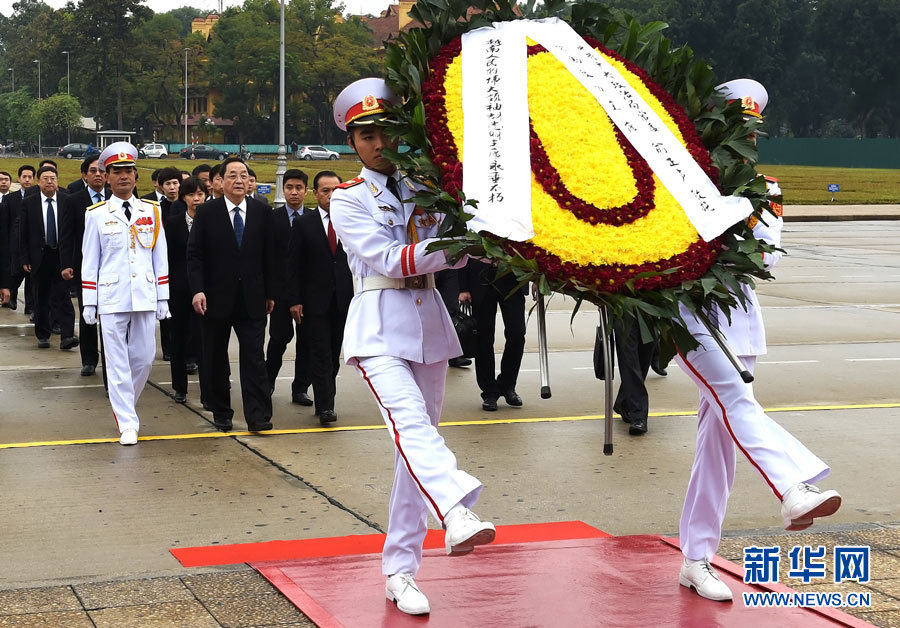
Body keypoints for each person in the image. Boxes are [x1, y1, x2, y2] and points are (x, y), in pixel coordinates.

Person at [330, 78, 495, 616]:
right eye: (367, 134)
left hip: (428, 324)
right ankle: (455, 506)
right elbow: (390, 259)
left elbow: (467, 252)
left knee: (411, 452)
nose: (379, 143)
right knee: (409, 425)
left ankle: (400, 570)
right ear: (352, 142)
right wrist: (458, 244)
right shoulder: (348, 199)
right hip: (379, 324)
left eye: (386, 132)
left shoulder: (429, 189)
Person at [675, 79, 841, 602]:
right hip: (691, 314)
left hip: (740, 318)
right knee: (736, 400)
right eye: (731, 125)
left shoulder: (765, 188)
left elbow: (763, 260)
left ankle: (696, 558)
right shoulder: (680, 179)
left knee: (718, 446)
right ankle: (793, 485)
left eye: (748, 128)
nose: (741, 136)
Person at [81, 142, 170, 446]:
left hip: (144, 291)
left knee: (144, 359)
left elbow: (161, 256)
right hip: (111, 295)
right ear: (106, 177)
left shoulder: (152, 210)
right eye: (116, 172)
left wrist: (163, 296)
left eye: (128, 172)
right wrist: (89, 300)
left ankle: (125, 406)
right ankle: (127, 422)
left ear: (136, 176)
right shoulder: (95, 214)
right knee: (117, 361)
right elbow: (90, 260)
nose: (123, 177)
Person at [187, 157, 276, 433]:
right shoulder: (207, 212)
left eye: (244, 175)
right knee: (214, 357)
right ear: (220, 182)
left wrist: (270, 292)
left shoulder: (262, 211)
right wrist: (198, 290)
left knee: (254, 358)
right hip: (215, 298)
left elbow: (271, 254)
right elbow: (195, 255)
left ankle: (258, 416)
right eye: (233, 175)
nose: (239, 180)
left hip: (253, 298)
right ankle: (221, 411)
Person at [287, 170, 352, 425]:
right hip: (314, 301)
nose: (331, 195)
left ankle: (325, 393)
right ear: (316, 194)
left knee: (334, 352)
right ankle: (326, 406)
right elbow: (293, 265)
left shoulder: (350, 221)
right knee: (321, 353)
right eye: (325, 191)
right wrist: (294, 299)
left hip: (343, 299)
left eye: (336, 190)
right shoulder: (304, 224)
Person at [265, 169, 312, 405]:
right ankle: (268, 381)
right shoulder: (272, 219)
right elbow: (268, 258)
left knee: (307, 342)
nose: (294, 192)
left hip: (309, 292)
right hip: (281, 293)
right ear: (283, 190)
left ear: (306, 190)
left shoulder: (313, 219)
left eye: (299, 188)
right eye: (289, 188)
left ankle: (300, 388)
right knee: (278, 339)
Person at [18, 166, 78, 350]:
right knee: (41, 297)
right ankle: (43, 334)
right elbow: (22, 234)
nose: (49, 181)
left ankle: (67, 335)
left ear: (58, 181)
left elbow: (73, 232)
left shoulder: (67, 201)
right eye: (45, 178)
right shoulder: (29, 202)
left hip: (61, 255)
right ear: (39, 182)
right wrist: (24, 258)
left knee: (63, 297)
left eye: (53, 178)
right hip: (39, 256)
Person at [59, 154, 109, 375]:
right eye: (92, 171)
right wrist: (67, 264)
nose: (97, 175)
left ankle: (112, 359)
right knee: (88, 313)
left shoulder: (117, 198)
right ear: (84, 175)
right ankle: (89, 359)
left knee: (112, 316)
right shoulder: (73, 200)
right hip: (85, 268)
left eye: (101, 171)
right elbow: (67, 235)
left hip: (112, 267)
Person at [458, 259, 527, 411]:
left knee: (517, 332)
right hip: (480, 277)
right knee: (483, 337)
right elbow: (464, 248)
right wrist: (463, 287)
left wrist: (537, 278)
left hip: (512, 276)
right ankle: (489, 391)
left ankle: (507, 385)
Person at [165, 177, 207, 404]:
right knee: (178, 338)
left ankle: (207, 390)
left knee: (204, 340)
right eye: (191, 195)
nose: (196, 199)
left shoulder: (212, 221)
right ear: (184, 197)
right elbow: (168, 258)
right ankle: (179, 387)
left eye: (200, 194)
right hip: (179, 289)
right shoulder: (173, 224)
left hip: (205, 290)